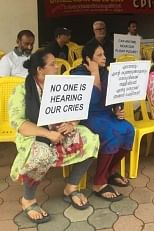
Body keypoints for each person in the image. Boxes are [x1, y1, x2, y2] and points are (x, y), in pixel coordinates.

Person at [8, 49, 99, 224]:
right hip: (34, 135)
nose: (57, 67)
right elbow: (19, 124)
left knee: (90, 139)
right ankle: (28, 199)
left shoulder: (60, 84)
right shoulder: (22, 90)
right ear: (40, 70)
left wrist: (71, 124)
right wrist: (48, 133)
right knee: (41, 154)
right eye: (52, 64)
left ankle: (71, 187)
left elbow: (75, 109)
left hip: (58, 131)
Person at [71, 42, 134, 201]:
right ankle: (99, 182)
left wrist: (118, 108)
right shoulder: (78, 74)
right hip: (87, 116)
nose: (104, 57)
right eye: (99, 55)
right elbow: (94, 99)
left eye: (104, 54)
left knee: (128, 130)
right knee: (112, 134)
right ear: (88, 58)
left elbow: (115, 94)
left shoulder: (106, 72)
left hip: (106, 114)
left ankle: (110, 171)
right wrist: (94, 73)